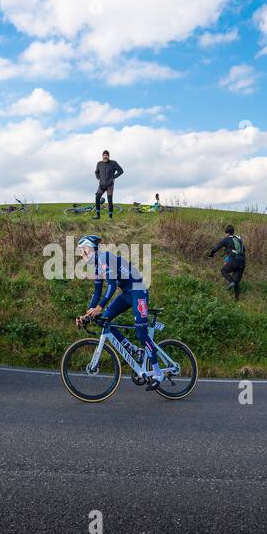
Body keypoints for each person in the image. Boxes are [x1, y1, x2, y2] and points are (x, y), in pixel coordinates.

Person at [74, 234, 163, 388]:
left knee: (141, 334)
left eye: (84, 250)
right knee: (104, 320)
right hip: (127, 294)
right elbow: (96, 293)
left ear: (92, 249)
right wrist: (87, 315)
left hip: (138, 291)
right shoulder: (96, 266)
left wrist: (100, 307)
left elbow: (111, 285)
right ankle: (134, 350)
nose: (82, 254)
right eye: (80, 251)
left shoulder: (104, 258)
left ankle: (158, 373)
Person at [208, 224, 246, 300]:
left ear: (227, 233)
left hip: (234, 260)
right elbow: (243, 249)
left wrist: (211, 254)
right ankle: (236, 299)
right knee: (236, 282)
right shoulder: (238, 239)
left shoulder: (226, 239)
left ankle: (231, 282)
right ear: (233, 232)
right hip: (243, 261)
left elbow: (217, 247)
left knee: (224, 270)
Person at [93, 150, 123, 219]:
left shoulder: (113, 163)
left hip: (110, 185)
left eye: (106, 155)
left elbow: (121, 171)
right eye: (104, 155)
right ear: (102, 156)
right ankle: (98, 215)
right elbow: (96, 172)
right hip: (102, 185)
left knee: (110, 200)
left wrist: (113, 177)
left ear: (108, 156)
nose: (105, 156)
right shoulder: (99, 163)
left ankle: (110, 217)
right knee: (97, 197)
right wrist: (98, 178)